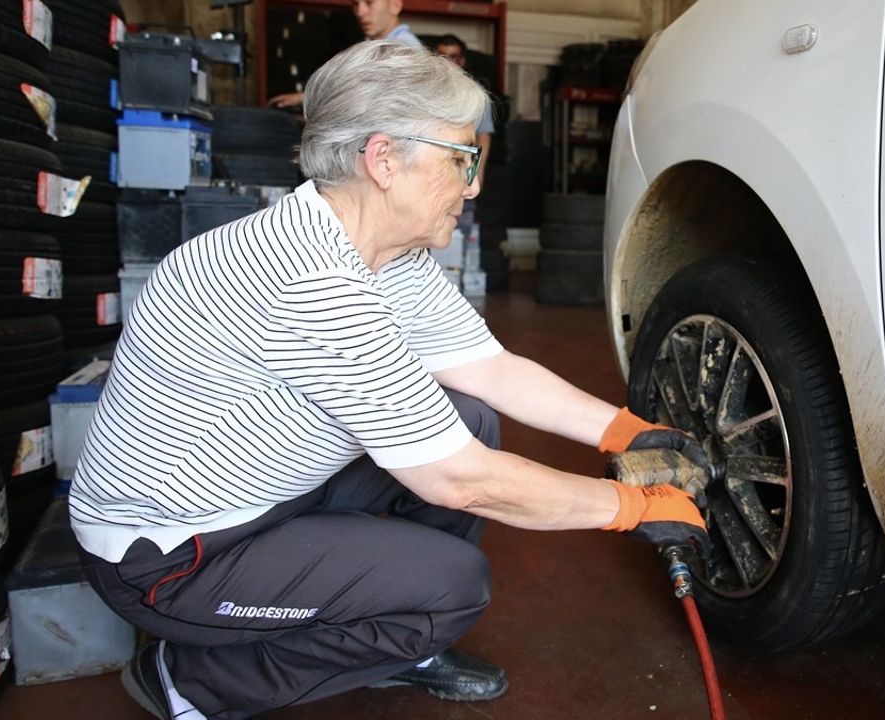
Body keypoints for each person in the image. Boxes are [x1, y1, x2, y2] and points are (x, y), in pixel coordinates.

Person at [71, 40, 707, 720]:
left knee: (469, 417)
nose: (473, 184)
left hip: (252, 497)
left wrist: (631, 432)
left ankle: (395, 628)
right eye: (461, 159)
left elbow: (493, 370)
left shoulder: (381, 253)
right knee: (454, 586)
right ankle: (192, 682)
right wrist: (631, 509)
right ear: (383, 160)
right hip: (170, 558)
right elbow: (460, 480)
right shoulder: (309, 281)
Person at [267, 0, 424, 109]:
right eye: (356, 4)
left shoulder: (406, 53)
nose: (360, 12)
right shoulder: (370, 46)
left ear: (395, 6)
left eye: (369, 3)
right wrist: (305, 97)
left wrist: (308, 98)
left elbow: (375, 104)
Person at [433, 34, 494, 189]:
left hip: (461, 170)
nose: (447, 64)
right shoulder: (425, 92)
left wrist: (475, 172)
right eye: (442, 57)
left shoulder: (475, 94)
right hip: (431, 172)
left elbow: (483, 136)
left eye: (453, 57)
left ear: (462, 61)